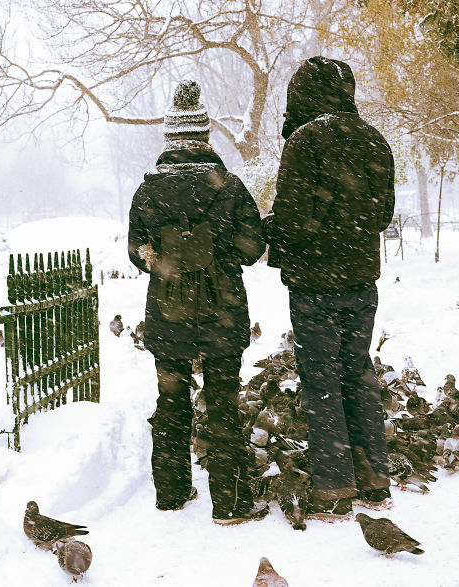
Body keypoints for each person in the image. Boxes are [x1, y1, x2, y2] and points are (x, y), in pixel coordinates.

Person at [128, 79, 268, 525]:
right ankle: (229, 502)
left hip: (167, 315)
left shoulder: (147, 192)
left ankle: (171, 493)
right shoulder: (230, 188)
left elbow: (136, 254)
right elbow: (253, 247)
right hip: (221, 314)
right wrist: (217, 253)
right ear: (205, 136)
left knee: (170, 403)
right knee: (223, 404)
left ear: (170, 139)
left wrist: (170, 258)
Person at [263, 56, 396, 520]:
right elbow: (382, 216)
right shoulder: (373, 139)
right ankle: (375, 479)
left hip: (315, 284)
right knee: (358, 374)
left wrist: (272, 232)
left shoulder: (306, 141)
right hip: (361, 281)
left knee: (321, 381)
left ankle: (335, 487)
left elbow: (295, 218)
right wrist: (349, 228)